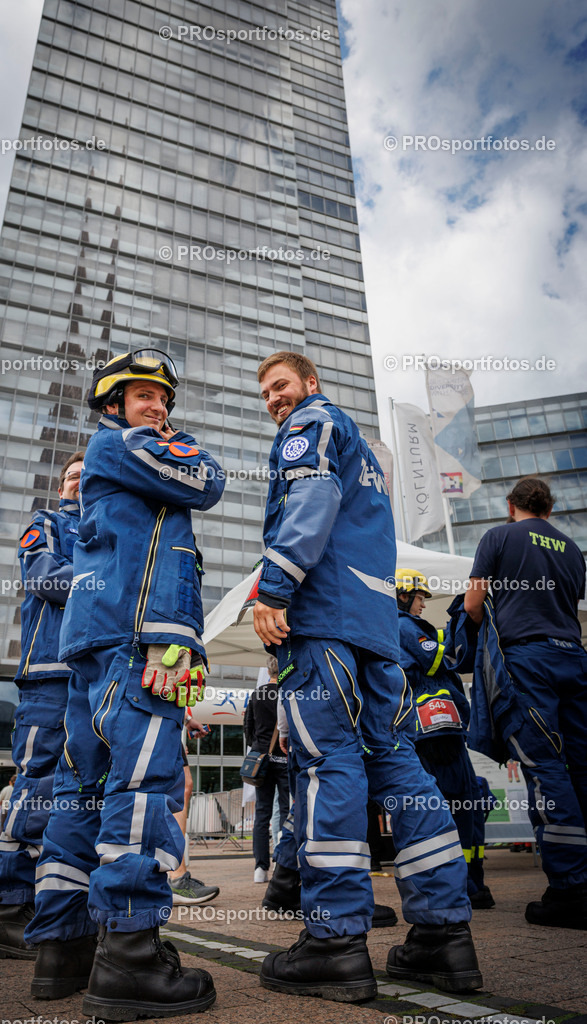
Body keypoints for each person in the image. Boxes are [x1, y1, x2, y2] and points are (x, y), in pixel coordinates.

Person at [253, 352, 482, 1002]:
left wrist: (272, 588)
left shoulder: (312, 425)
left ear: (309, 385)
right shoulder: (363, 454)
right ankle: (444, 936)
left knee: (328, 768)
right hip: (377, 633)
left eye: (281, 386)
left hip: (324, 621)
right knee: (394, 763)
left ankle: (333, 942)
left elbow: (311, 497)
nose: (274, 399)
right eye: (266, 391)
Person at [24, 350, 224, 1020]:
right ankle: (131, 960)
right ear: (113, 404)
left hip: (100, 643)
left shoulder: (119, 458)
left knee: (81, 794)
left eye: (164, 400)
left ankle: (64, 950)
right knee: (140, 789)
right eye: (143, 396)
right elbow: (207, 480)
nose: (159, 408)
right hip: (138, 641)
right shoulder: (119, 446)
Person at [465, 476, 587, 929]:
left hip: (528, 660)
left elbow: (475, 603)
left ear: (510, 505)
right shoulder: (573, 550)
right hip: (573, 657)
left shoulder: (499, 535)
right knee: (581, 767)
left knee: (546, 767)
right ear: (549, 511)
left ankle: (570, 890)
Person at [0, 450, 83, 960]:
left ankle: (57, 908)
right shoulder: (43, 524)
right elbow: (45, 578)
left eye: (85, 477)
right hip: (48, 677)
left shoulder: (108, 525)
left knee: (78, 796)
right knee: (36, 786)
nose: (76, 484)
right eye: (70, 477)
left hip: (92, 679)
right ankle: (9, 911)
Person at [395, 568, 494, 909]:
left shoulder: (406, 626)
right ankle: (462, 884)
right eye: (421, 598)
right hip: (434, 732)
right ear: (404, 596)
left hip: (443, 729)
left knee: (466, 801)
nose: (423, 605)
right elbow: (441, 657)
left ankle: (470, 881)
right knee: (455, 803)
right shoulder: (404, 625)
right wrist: (457, 620)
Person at [244, 655, 290, 884]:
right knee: (285, 809)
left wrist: (259, 747)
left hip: (261, 759)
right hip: (284, 757)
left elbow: (248, 729)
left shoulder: (257, 694)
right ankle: (282, 862)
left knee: (262, 813)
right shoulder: (288, 692)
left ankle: (260, 868)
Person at [169, 712, 220, 905]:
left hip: (162, 715)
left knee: (180, 785)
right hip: (156, 713)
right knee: (179, 786)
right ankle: (176, 877)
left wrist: (186, 719)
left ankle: (172, 874)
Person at [0, 774, 16, 845]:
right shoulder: (17, 789)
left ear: (10, 782)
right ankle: (8, 842)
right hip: (11, 810)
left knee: (2, 826)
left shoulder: (5, 789)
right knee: (10, 826)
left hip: (3, 809)